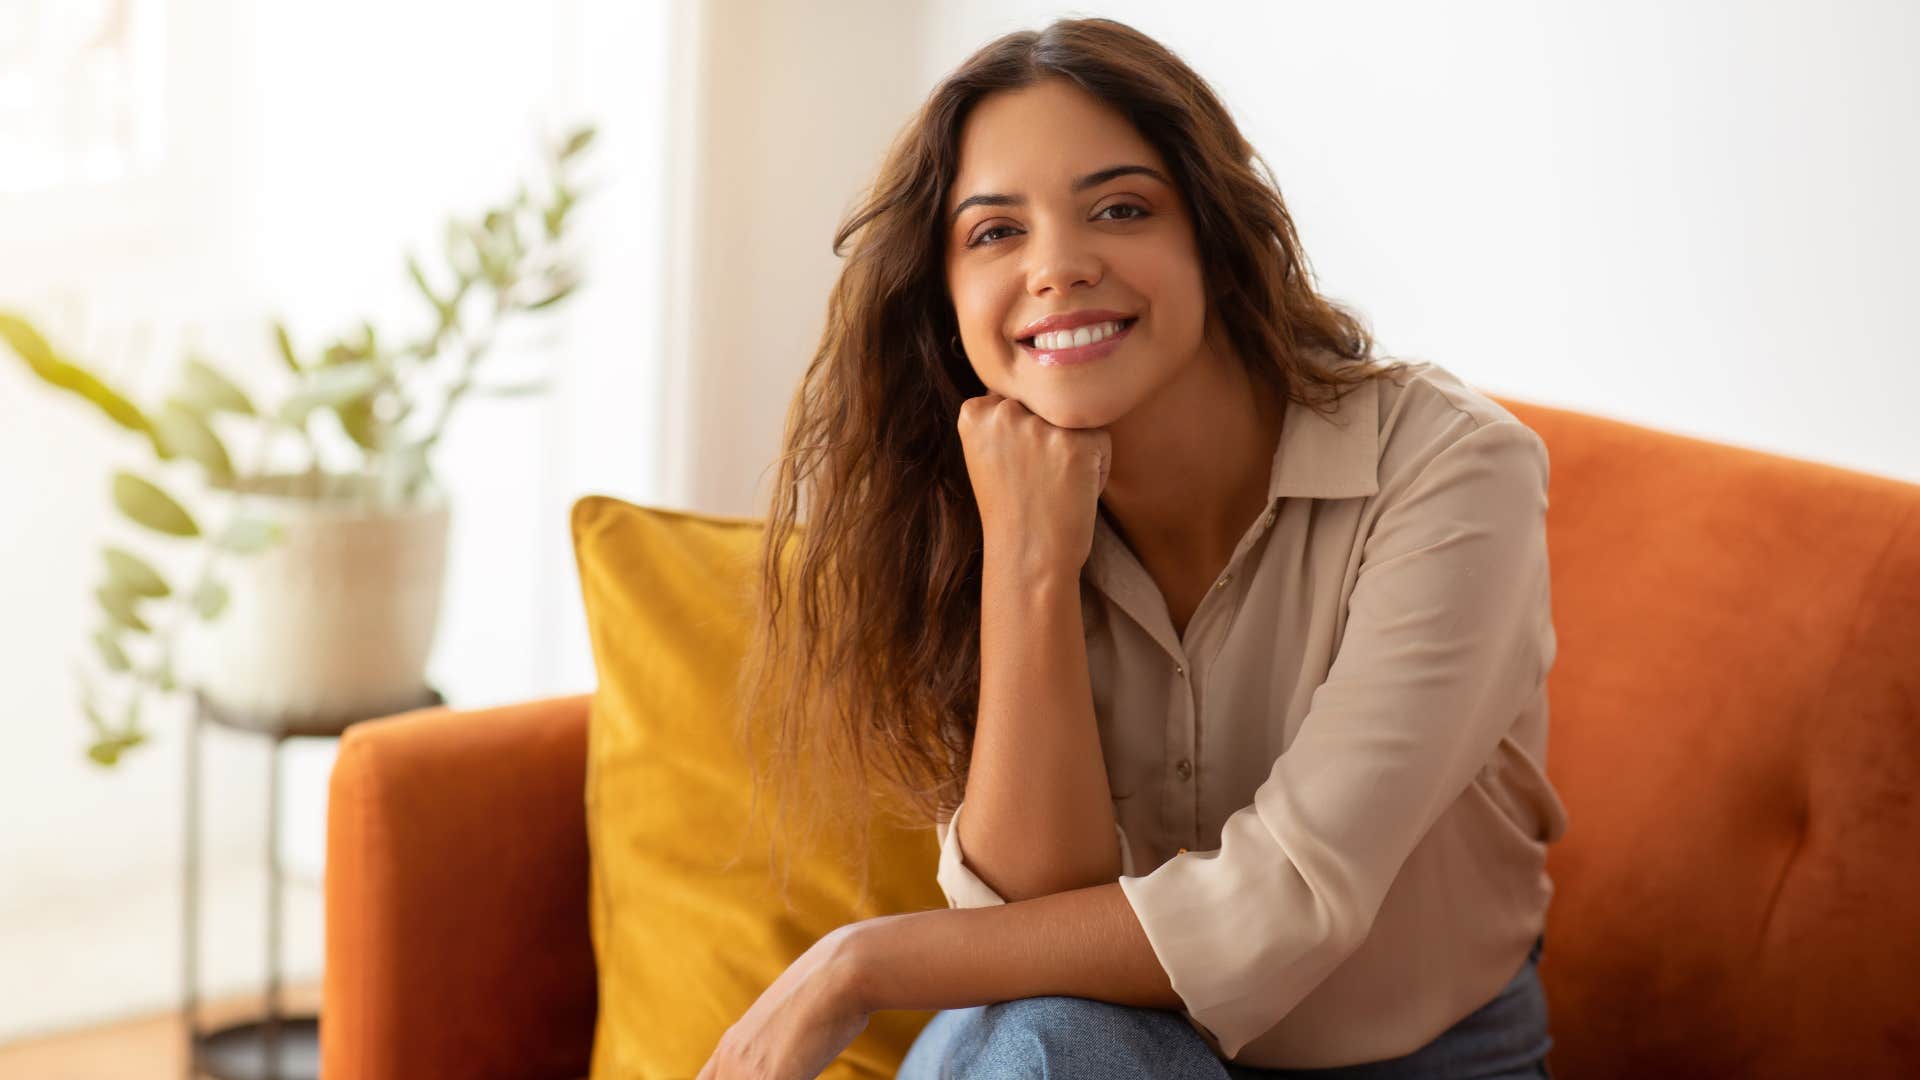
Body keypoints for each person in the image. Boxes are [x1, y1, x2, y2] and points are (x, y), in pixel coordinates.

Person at [697, 16, 1567, 1080]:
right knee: (1048, 1040)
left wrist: (860, 963)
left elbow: (1290, 898)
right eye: (994, 232)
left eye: (1119, 208)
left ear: (1211, 230)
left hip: (1415, 1064)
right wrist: (1030, 561)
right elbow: (1037, 930)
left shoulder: (1454, 472)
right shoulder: (979, 489)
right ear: (946, 294)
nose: (1058, 267)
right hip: (1089, 1048)